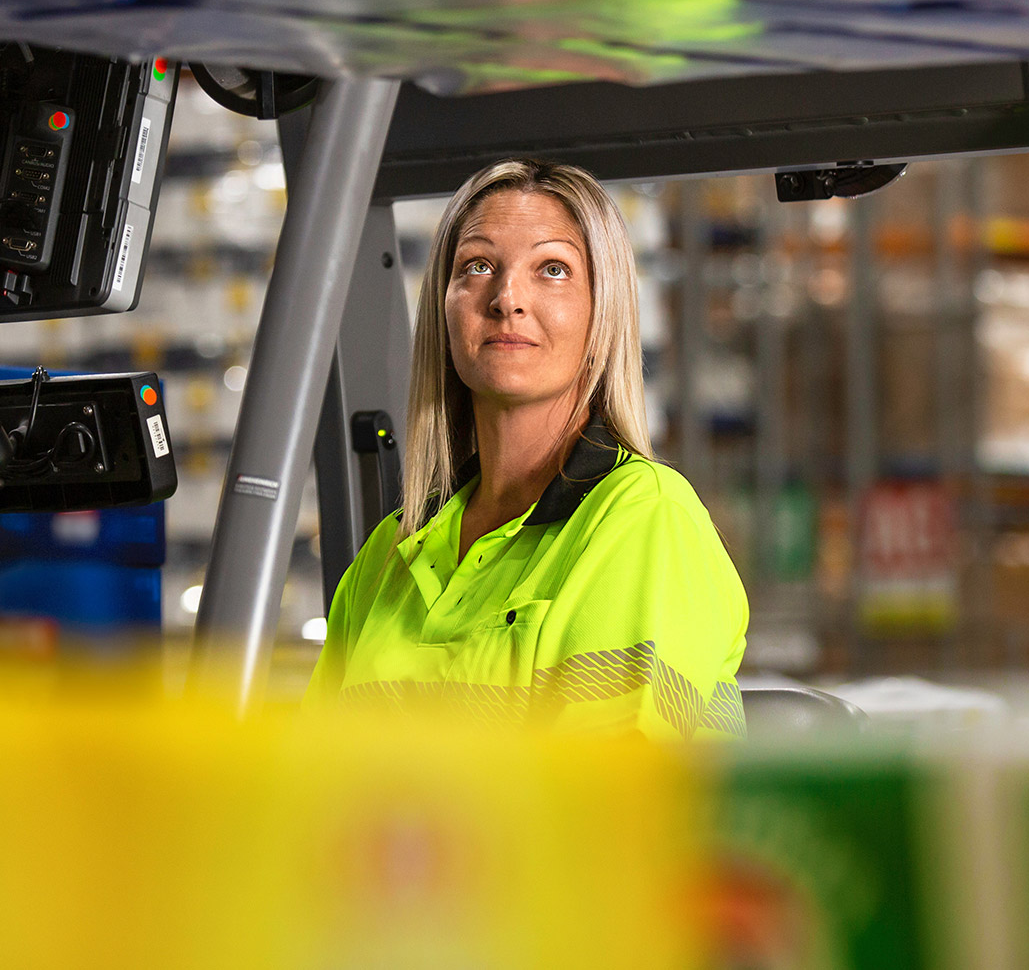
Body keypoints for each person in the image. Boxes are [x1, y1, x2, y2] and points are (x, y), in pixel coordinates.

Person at [307, 159, 748, 740]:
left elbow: (610, 800)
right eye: (478, 266)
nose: (507, 297)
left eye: (553, 269)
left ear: (602, 313)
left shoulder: (641, 516)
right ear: (444, 308)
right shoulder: (387, 556)